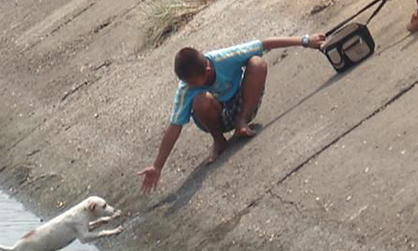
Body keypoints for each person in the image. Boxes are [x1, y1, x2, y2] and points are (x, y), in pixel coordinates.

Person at [138, 34, 326, 193]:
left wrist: (305, 40)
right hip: (216, 117)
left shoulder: (224, 57)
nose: (190, 86)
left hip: (242, 103)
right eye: (188, 83)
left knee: (257, 63)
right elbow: (174, 127)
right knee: (200, 101)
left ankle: (242, 122)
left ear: (208, 69)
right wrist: (157, 166)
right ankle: (219, 141)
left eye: (195, 82)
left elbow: (263, 44)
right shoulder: (186, 89)